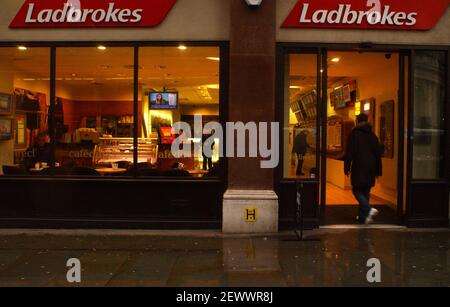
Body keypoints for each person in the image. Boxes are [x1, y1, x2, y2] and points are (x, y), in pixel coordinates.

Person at [344, 114, 383, 224]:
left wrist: (347, 167)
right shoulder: (373, 136)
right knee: (366, 191)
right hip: (371, 168)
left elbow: (349, 153)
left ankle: (368, 209)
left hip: (359, 167)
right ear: (367, 121)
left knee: (356, 190)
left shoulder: (354, 134)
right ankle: (363, 218)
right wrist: (378, 171)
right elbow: (377, 155)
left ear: (357, 121)